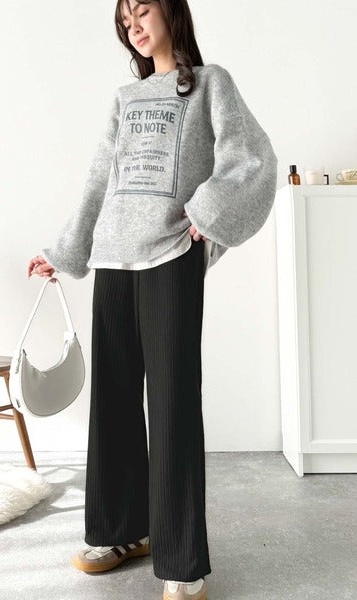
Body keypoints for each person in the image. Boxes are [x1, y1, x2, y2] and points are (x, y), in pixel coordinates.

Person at [27, 1, 278, 598]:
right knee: (113, 401)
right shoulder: (126, 98)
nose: (134, 26)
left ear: (170, 11)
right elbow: (100, 179)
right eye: (125, 21)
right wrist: (67, 250)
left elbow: (252, 157)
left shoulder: (210, 84)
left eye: (142, 11)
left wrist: (206, 214)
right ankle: (119, 531)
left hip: (170, 253)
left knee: (172, 404)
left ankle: (182, 561)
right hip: (114, 257)